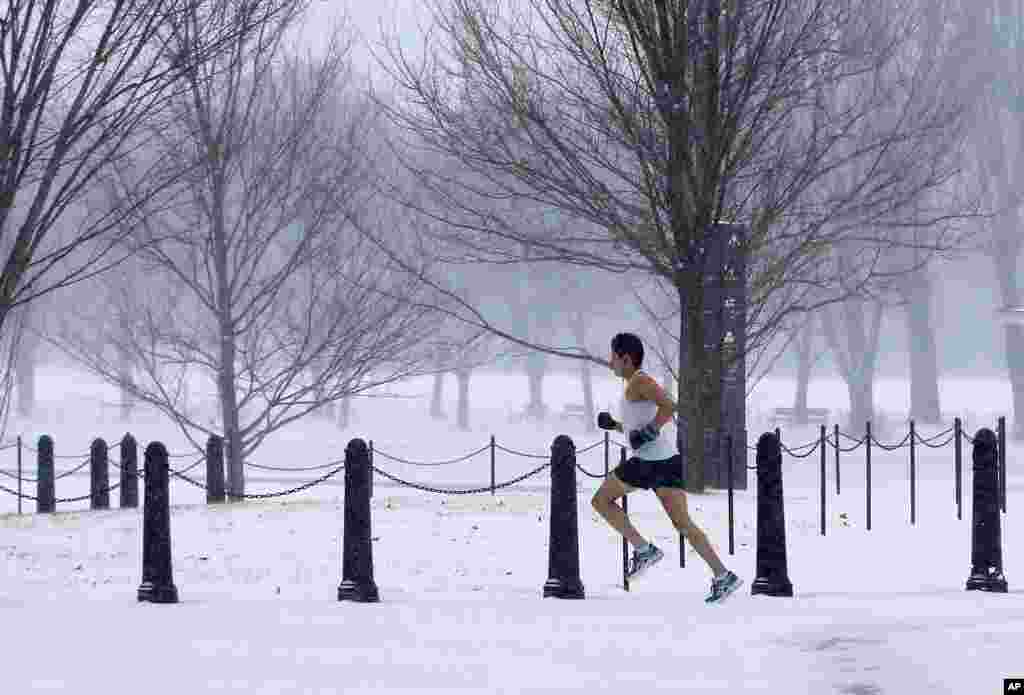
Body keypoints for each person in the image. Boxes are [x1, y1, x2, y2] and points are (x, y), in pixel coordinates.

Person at [591, 332, 743, 604]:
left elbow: (669, 405)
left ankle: (643, 549)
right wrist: (614, 425)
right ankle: (723, 576)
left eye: (613, 356)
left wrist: (649, 432)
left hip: (650, 463)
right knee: (683, 524)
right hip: (665, 461)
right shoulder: (632, 385)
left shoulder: (640, 381)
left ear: (626, 359)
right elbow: (636, 427)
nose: (609, 361)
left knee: (601, 500)